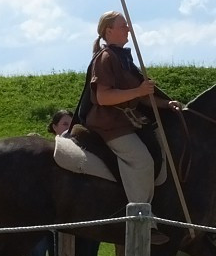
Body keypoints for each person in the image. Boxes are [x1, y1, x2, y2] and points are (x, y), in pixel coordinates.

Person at [75, 11, 180, 205]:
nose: (128, 29)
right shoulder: (105, 58)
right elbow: (102, 96)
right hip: (109, 124)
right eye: (123, 25)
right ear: (109, 30)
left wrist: (166, 103)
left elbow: (142, 97)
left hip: (128, 122)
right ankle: (139, 217)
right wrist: (138, 91)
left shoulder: (124, 59)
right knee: (142, 162)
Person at [27, 109, 73, 256]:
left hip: (59, 218)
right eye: (64, 124)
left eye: (71, 124)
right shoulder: (44, 152)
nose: (69, 128)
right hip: (38, 216)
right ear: (54, 127)